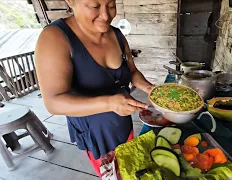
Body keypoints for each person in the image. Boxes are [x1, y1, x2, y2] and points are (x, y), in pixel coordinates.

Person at [35, 0, 154, 177]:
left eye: (111, 5)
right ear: (70, 1)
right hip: (95, 132)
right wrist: (110, 103)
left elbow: (132, 71)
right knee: (113, 174)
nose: (106, 16)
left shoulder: (118, 35)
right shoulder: (54, 38)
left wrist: (150, 88)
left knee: (129, 167)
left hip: (122, 122)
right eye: (94, 6)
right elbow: (53, 102)